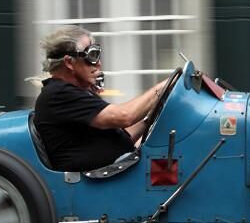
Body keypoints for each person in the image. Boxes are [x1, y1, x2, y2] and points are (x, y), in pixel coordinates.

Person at [33, 26, 169, 172]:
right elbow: (125, 116)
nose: (98, 63)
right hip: (99, 183)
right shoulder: (59, 94)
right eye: (92, 55)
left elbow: (123, 136)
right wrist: (164, 87)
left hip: (118, 173)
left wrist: (153, 116)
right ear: (69, 62)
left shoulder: (70, 93)